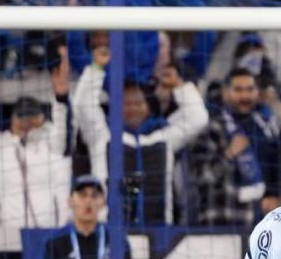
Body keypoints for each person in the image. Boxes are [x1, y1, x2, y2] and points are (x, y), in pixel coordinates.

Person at [73, 45, 208, 225]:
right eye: (126, 103)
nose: (131, 108)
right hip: (109, 228)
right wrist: (95, 69)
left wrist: (178, 85)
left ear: (148, 107)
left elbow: (198, 118)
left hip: (158, 231)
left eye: (138, 102)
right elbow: (83, 106)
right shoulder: (101, 135)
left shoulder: (164, 137)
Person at [0, 47, 71, 228]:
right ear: (12, 120)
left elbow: (63, 123)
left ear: (43, 118)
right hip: (9, 233)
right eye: (22, 117)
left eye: (32, 116)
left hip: (50, 232)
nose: (27, 122)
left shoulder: (53, 143)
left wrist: (60, 97)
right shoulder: (0, 145)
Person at [192, 68, 280, 223]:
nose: (245, 96)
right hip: (224, 221)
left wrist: (274, 196)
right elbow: (200, 178)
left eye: (249, 89)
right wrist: (229, 155)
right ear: (226, 93)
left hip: (262, 222)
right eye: (238, 90)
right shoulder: (212, 129)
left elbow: (274, 171)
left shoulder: (266, 129)